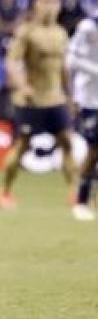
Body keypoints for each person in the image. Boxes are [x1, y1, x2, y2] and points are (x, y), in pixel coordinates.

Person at [0, 0, 75, 210]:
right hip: (31, 100)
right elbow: (12, 62)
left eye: (53, 1)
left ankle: (75, 193)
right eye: (44, 1)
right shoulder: (26, 32)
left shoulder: (61, 33)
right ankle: (5, 191)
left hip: (55, 98)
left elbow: (63, 69)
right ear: (35, 5)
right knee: (22, 145)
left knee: (66, 143)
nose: (49, 6)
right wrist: (22, 86)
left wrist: (70, 95)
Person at [67, 14, 98, 221]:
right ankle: (81, 200)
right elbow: (71, 60)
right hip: (92, 99)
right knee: (94, 150)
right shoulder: (88, 27)